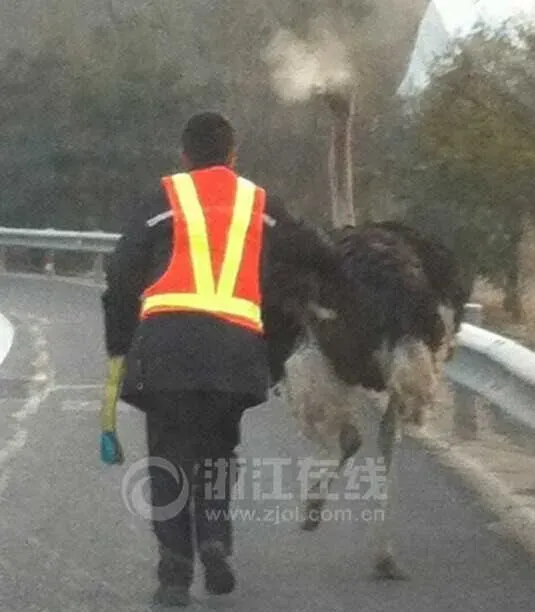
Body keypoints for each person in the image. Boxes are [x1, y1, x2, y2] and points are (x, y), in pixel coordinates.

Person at [101, 111, 343, 607]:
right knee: (216, 451)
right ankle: (213, 539)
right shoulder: (261, 204)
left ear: (184, 156)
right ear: (234, 158)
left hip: (166, 351)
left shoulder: (161, 198)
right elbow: (318, 257)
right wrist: (277, 338)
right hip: (235, 354)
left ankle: (174, 572)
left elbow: (122, 275)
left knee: (169, 456)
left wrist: (121, 345)